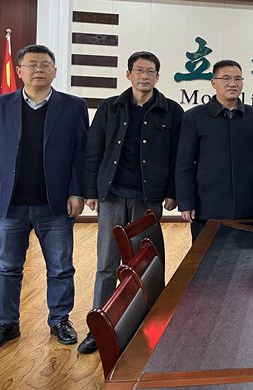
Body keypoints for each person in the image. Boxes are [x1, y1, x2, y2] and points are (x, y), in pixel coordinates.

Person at [77, 51, 183, 354]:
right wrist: (91, 191)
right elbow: (93, 150)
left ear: (157, 77)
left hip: (148, 198)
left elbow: (177, 156)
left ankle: (149, 325)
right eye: (139, 70)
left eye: (150, 71)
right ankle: (98, 330)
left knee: (147, 263)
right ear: (128, 74)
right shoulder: (110, 107)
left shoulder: (171, 111)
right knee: (107, 263)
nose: (144, 76)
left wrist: (173, 192)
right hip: (112, 195)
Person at [0, 44, 88, 348]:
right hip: (10, 204)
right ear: (19, 71)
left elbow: (81, 152)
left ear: (55, 70)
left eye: (45, 64)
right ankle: (7, 322)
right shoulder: (3, 105)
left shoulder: (73, 106)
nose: (39, 69)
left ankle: (60, 320)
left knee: (61, 267)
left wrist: (77, 191)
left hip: (55, 203)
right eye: (32, 64)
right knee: (7, 267)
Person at [176, 60, 253, 240]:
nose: (232, 83)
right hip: (206, 207)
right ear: (213, 83)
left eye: (237, 79)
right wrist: (186, 201)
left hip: (244, 205)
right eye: (226, 78)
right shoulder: (194, 117)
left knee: (243, 255)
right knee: (205, 255)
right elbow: (184, 164)